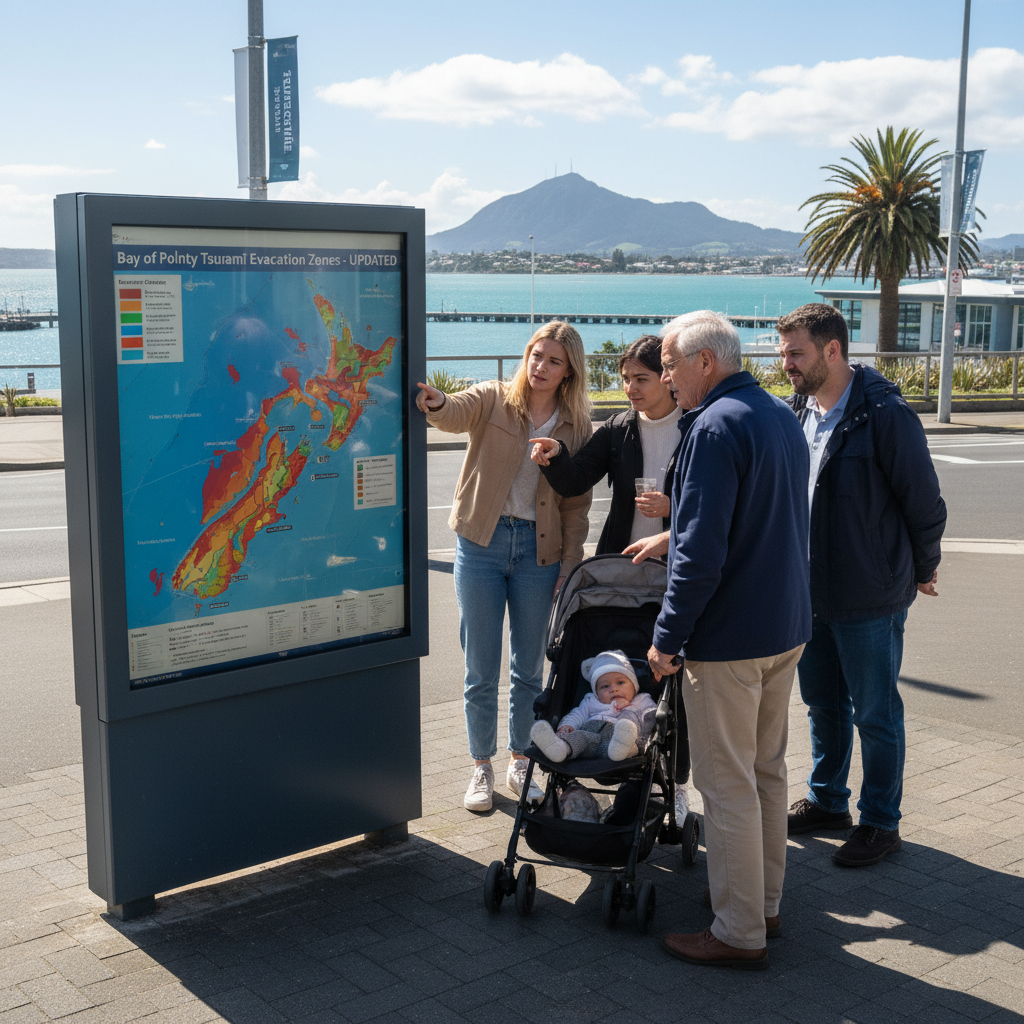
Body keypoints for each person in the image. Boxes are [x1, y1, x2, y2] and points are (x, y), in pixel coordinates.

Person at [647, 311, 811, 971]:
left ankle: (738, 931)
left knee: (727, 784)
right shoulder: (776, 414)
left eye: (669, 365)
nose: (665, 378)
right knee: (767, 773)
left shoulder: (713, 428)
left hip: (730, 639)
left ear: (704, 362)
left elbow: (700, 555)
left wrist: (666, 638)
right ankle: (765, 906)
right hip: (784, 627)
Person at [778, 303, 945, 867]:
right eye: (784, 352)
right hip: (809, 590)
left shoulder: (885, 414)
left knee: (875, 712)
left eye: (796, 352)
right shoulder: (799, 411)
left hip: (870, 591)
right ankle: (828, 802)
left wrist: (924, 566)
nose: (787, 364)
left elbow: (924, 500)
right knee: (822, 704)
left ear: (833, 350)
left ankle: (880, 821)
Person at [415, 322, 593, 813]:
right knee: (480, 667)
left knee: (529, 669)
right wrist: (435, 402)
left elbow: (576, 505)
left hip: (542, 554)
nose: (541, 366)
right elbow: (454, 412)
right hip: (481, 544)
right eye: (536, 355)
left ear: (568, 371)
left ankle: (521, 759)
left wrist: (570, 566)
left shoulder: (575, 426)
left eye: (553, 360)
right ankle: (480, 766)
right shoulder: (495, 399)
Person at [528, 335, 681, 554]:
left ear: (666, 377)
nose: (630, 388)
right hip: (622, 564)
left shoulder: (696, 427)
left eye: (641, 379)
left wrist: (672, 507)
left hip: (677, 568)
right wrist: (557, 454)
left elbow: (718, 505)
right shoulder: (617, 428)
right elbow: (575, 482)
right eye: (626, 379)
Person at [530, 649, 656, 762]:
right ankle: (560, 748)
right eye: (605, 686)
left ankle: (621, 748)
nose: (614, 689)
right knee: (578, 737)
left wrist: (644, 739)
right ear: (596, 692)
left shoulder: (641, 700)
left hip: (617, 739)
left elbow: (651, 716)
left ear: (634, 685)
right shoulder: (591, 701)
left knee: (628, 736)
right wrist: (566, 727)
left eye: (620, 682)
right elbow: (577, 715)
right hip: (589, 738)